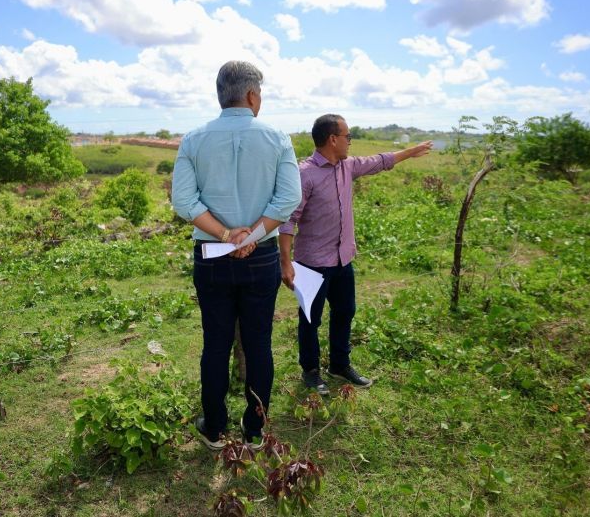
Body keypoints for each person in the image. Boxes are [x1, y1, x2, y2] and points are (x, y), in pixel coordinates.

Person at [172, 61, 301, 450]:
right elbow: (289, 198)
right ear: (251, 95)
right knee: (259, 343)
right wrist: (252, 235)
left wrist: (228, 235)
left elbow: (183, 200)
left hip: (211, 255)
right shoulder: (277, 138)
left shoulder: (193, 140)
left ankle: (213, 428)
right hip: (260, 256)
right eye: (259, 93)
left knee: (215, 342)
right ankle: (255, 430)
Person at [278, 114, 433, 395]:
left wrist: (411, 152)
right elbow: (289, 220)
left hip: (341, 260)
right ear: (332, 139)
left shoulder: (347, 167)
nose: (351, 142)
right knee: (310, 319)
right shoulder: (305, 174)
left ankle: (339, 364)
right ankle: (311, 371)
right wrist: (285, 262)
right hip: (312, 263)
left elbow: (380, 161)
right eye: (348, 137)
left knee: (345, 312)